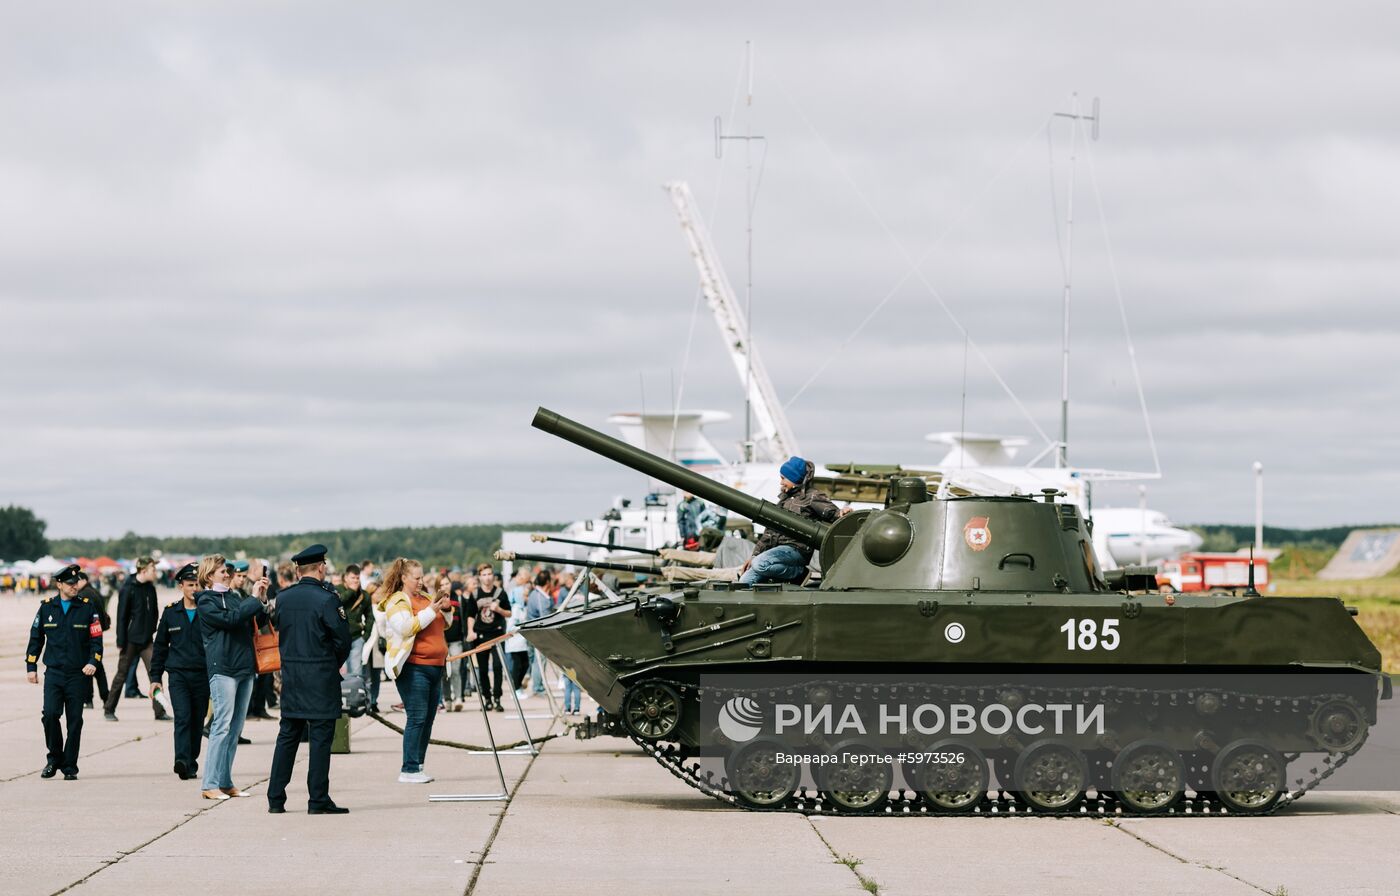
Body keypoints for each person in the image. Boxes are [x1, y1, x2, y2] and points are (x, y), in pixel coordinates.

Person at [266, 544, 351, 815]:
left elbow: (280, 629)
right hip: (321, 676)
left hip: (292, 675)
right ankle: (317, 799)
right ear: (321, 567)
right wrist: (331, 664)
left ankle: (275, 798)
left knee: (288, 736)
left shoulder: (284, 597)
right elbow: (343, 641)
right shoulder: (328, 599)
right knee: (320, 739)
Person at [197, 553, 271, 801]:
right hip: (223, 668)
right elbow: (230, 620)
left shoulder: (234, 597)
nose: (227, 575)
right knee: (221, 726)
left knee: (235, 728)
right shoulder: (206, 601)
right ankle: (210, 783)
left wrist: (260, 598)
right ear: (209, 576)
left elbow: (254, 621)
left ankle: (226, 781)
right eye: (222, 572)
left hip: (244, 667)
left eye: (227, 571)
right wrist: (250, 600)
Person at [376, 558, 452, 783]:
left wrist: (444, 609)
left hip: (435, 667)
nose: (421, 581)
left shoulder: (427, 598)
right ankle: (408, 769)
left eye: (422, 577)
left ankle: (418, 765)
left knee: (427, 719)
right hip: (413, 667)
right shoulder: (396, 601)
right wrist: (431, 610)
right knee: (417, 717)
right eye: (417, 578)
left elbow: (443, 624)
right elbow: (407, 627)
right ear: (404, 578)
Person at [25, 564, 102, 780]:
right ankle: (54, 758)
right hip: (55, 673)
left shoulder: (87, 608)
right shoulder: (47, 608)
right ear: (59, 584)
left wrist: (93, 661)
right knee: (50, 715)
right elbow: (36, 638)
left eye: (76, 582)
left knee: (75, 720)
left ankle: (70, 766)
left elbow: (96, 639)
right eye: (70, 583)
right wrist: (31, 666)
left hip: (78, 674)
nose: (75, 586)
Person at [739, 456, 842, 585]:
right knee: (744, 582)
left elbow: (833, 513)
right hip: (778, 550)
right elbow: (769, 532)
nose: (781, 482)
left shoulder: (812, 497)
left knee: (760, 564)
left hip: (797, 550)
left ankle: (798, 573)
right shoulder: (784, 500)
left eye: (783, 478)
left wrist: (842, 512)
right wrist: (754, 555)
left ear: (795, 479)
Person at [150, 563, 208, 780]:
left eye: (198, 585)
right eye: (190, 585)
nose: (194, 589)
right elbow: (160, 646)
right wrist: (155, 678)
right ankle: (181, 760)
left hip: (202, 675)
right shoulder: (171, 613)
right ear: (181, 586)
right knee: (182, 717)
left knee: (197, 719)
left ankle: (191, 760)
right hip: (179, 675)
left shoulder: (208, 612)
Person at [104, 556, 167, 721]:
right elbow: (122, 617)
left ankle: (159, 712)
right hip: (130, 640)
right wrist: (120, 640)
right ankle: (109, 709)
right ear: (144, 570)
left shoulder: (150, 588)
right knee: (121, 674)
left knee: (155, 673)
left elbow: (154, 611)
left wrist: (152, 628)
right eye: (153, 570)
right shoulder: (128, 588)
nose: (156, 573)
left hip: (147, 640)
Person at [465, 563, 511, 711]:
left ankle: (497, 697)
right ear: (480, 577)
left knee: (498, 667)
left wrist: (499, 609)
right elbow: (470, 615)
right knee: (483, 669)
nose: (487, 577)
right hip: (481, 635)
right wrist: (470, 631)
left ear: (493, 575)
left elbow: (509, 613)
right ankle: (487, 699)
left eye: (489, 574)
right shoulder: (475, 594)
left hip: (497, 634)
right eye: (484, 575)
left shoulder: (500, 593)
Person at [75, 571, 111, 709]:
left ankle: (91, 699)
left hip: (89, 636)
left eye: (76, 581)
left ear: (83, 580)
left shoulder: (84, 595)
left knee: (91, 668)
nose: (74, 585)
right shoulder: (94, 591)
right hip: (96, 634)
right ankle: (103, 698)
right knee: (96, 668)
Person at [337, 564, 371, 683]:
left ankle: (356, 699)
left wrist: (365, 636)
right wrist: (351, 591)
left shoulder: (364, 595)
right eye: (353, 578)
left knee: (356, 673)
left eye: (357, 578)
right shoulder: (338, 590)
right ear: (346, 577)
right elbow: (338, 602)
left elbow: (370, 617)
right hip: (340, 639)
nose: (355, 581)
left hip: (357, 638)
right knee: (341, 673)